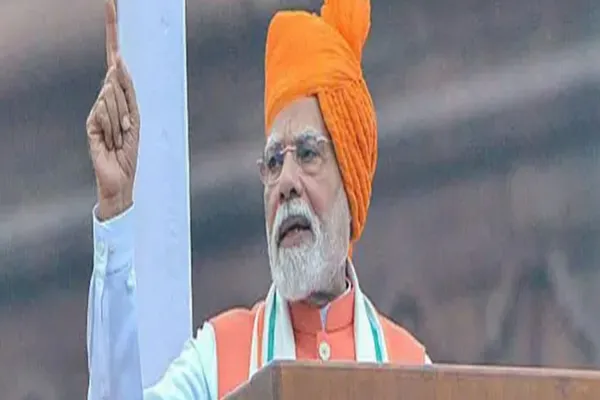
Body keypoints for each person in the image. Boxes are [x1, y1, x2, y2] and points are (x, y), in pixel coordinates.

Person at [86, 0, 431, 398]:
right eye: (273, 162)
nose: (286, 182)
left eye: (308, 154)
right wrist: (115, 207)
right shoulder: (217, 361)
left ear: (350, 182)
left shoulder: (411, 370)